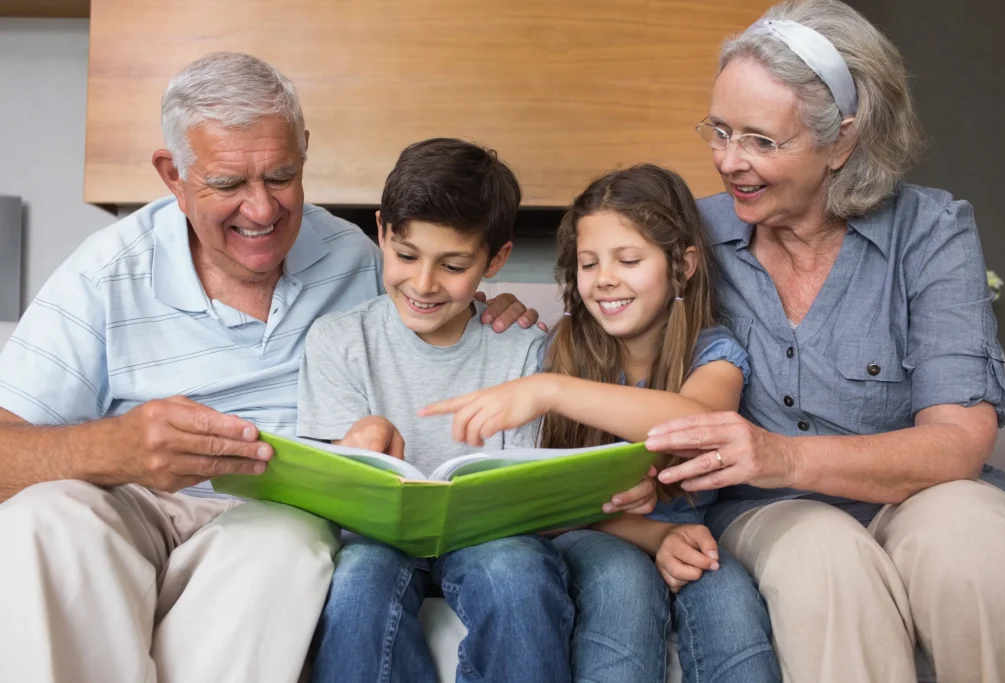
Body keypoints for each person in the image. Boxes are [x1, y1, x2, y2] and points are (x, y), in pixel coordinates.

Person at [0, 53, 548, 683]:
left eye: (281, 177)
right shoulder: (103, 274)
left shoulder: (354, 256)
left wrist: (492, 309)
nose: (261, 211)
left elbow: (428, 304)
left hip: (270, 516)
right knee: (43, 520)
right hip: (133, 504)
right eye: (228, 184)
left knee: (288, 544)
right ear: (173, 176)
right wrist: (112, 447)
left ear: (305, 153)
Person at [639, 2, 1005, 681]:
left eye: (762, 141)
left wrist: (783, 453)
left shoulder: (931, 232)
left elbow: (960, 439)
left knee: (973, 545)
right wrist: (505, 313)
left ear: (842, 141)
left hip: (920, 492)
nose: (729, 161)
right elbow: (599, 315)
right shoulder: (690, 235)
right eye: (720, 131)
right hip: (768, 511)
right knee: (823, 557)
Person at [425, 164, 780, 683]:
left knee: (727, 596)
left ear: (683, 266)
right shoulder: (558, 351)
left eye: (629, 259)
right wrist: (649, 536)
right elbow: (542, 503)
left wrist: (553, 391)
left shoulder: (713, 353)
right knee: (621, 581)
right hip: (588, 532)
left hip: (688, 533)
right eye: (589, 264)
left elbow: (698, 421)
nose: (606, 278)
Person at [299, 138, 574, 683]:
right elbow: (331, 494)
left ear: (496, 259)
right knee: (357, 583)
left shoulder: (522, 348)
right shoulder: (338, 340)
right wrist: (354, 445)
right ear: (381, 232)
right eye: (405, 256)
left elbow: (526, 495)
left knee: (518, 575)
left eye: (452, 265)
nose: (423, 285)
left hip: (491, 537)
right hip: (377, 541)